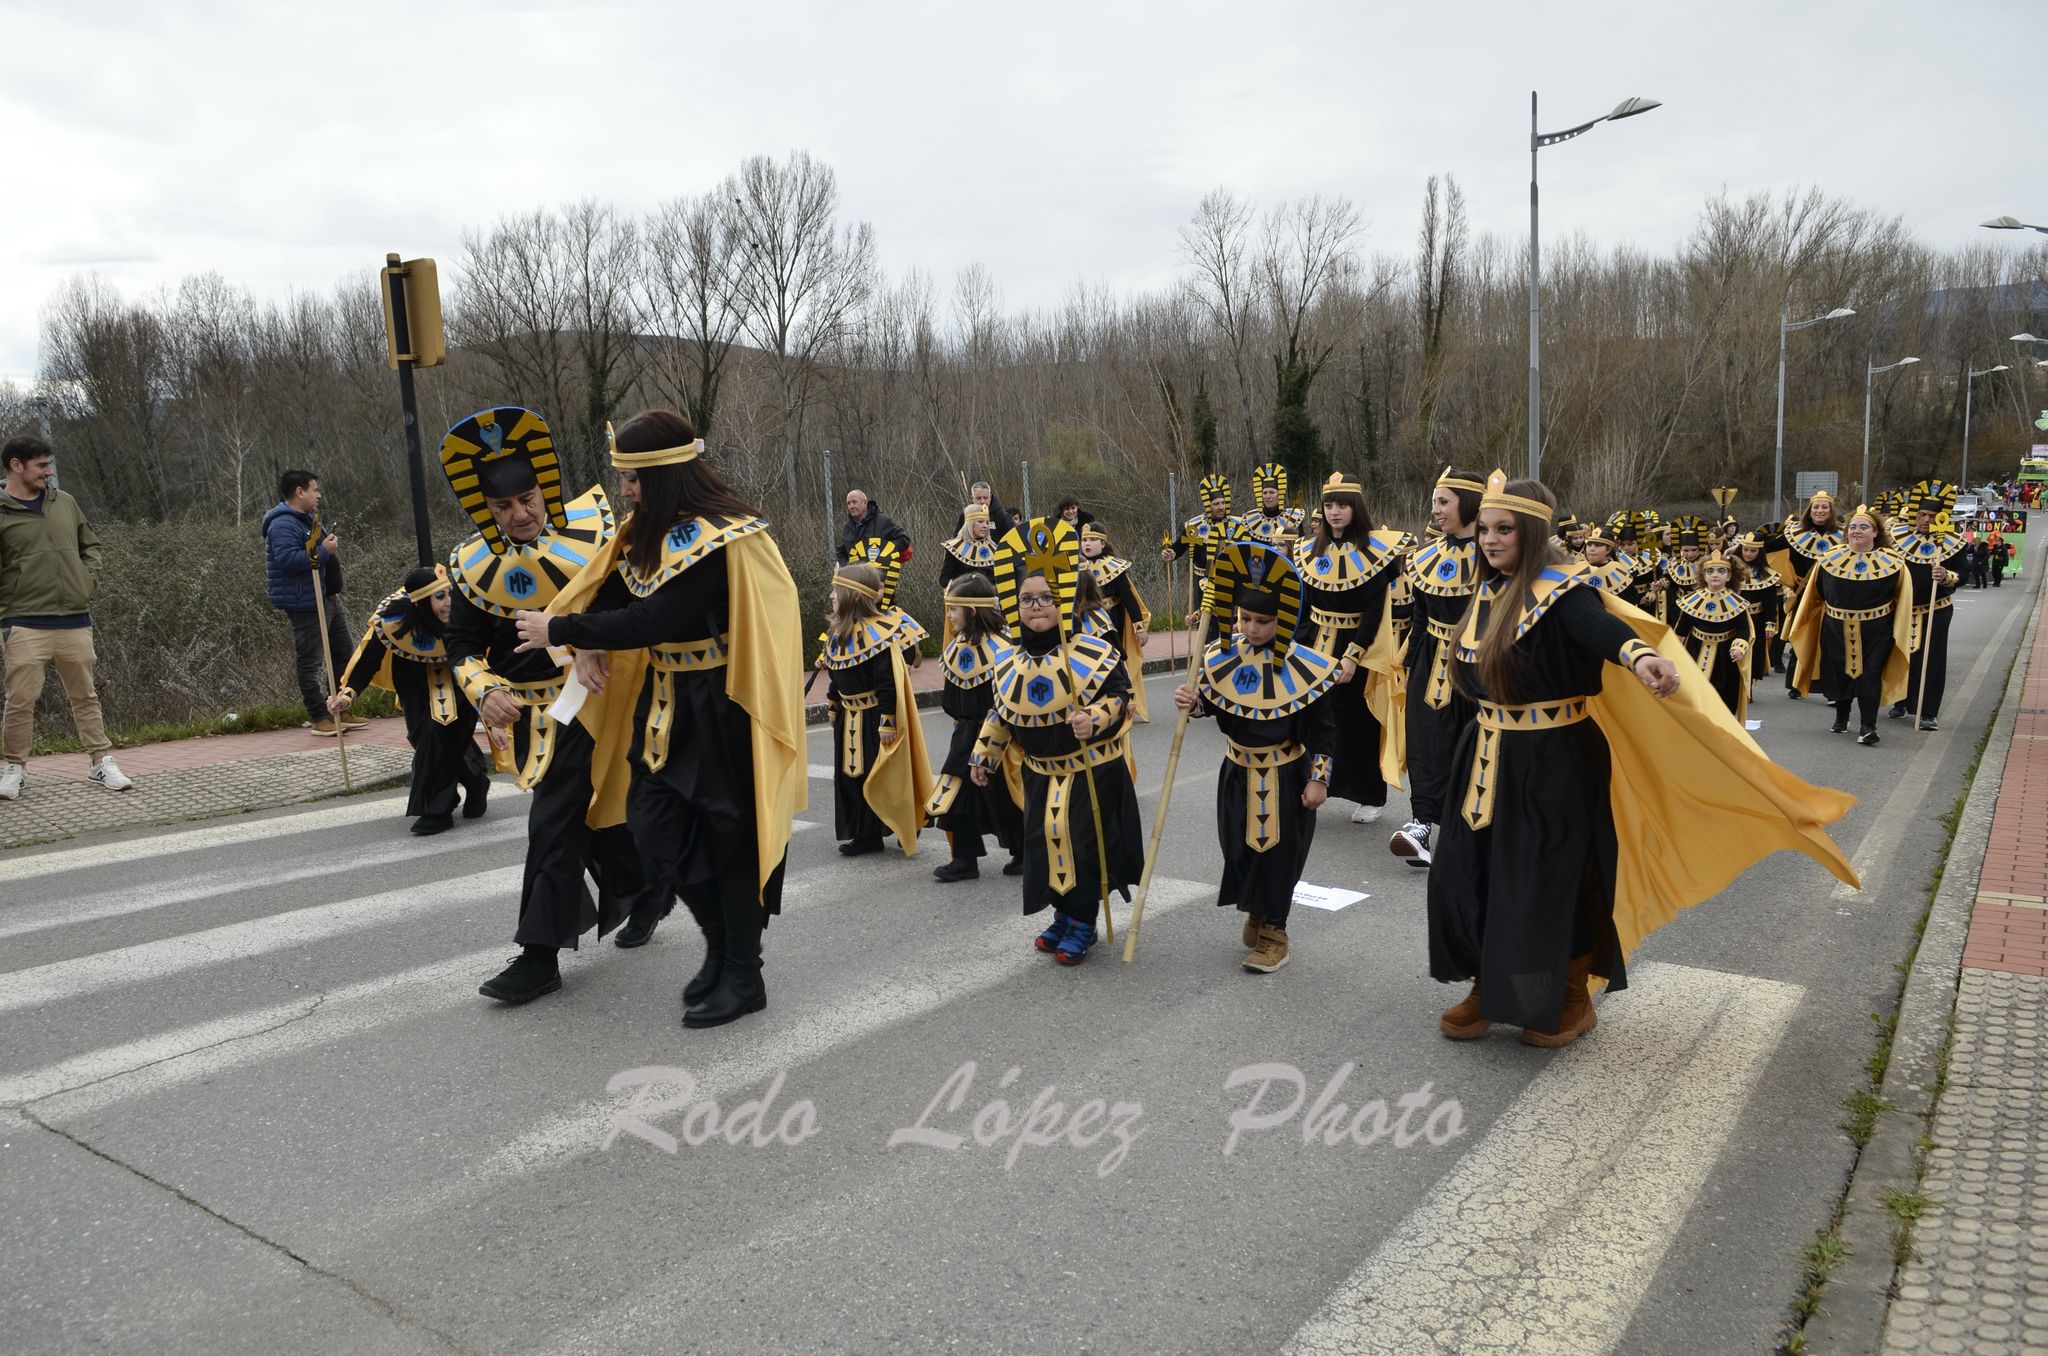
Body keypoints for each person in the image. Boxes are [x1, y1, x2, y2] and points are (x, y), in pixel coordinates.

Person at [1429, 470, 1857, 1048]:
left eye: (1504, 529)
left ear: (1531, 534)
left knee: (1548, 880)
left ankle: (1572, 994)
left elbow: (1601, 628)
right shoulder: (1487, 592)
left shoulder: (1563, 590)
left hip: (1554, 758)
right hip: (1483, 754)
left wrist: (1639, 658)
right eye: (1484, 529)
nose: (1490, 539)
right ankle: (1488, 986)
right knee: (1470, 870)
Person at [516, 409, 804, 1029]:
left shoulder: (718, 537)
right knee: (653, 834)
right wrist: (588, 639)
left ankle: (741, 971)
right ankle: (721, 949)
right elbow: (617, 597)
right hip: (665, 705)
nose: (624, 489)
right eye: (623, 477)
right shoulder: (644, 532)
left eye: (634, 478)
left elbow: (655, 620)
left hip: (720, 707)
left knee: (731, 844)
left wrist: (560, 629)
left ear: (666, 476)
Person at [438, 404, 666, 1005]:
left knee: (554, 822)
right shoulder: (471, 567)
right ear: (484, 510)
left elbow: (630, 613)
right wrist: (484, 689)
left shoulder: (596, 535)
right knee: (584, 821)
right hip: (530, 718)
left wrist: (585, 638)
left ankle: (538, 957)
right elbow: (460, 645)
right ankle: (644, 889)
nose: (518, 515)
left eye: (528, 501)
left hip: (593, 700)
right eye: (502, 508)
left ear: (546, 489)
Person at [969, 519, 1143, 966]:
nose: (1036, 606)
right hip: (1040, 773)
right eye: (1027, 599)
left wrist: (1095, 718)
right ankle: (1063, 915)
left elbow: (1121, 697)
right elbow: (1003, 710)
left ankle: (1083, 920)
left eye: (1045, 597)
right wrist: (984, 756)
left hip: (1090, 769)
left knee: (1084, 842)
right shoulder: (1010, 660)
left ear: (1062, 599)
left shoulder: (1092, 650)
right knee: (1047, 841)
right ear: (1014, 604)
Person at [1174, 540, 1338, 972]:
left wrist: (1319, 779)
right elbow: (1220, 703)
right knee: (1238, 849)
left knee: (1280, 855)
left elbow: (1324, 730)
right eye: (1245, 618)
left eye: (1263, 621)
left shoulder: (1307, 668)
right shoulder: (1221, 658)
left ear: (1282, 620)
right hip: (1237, 770)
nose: (1252, 628)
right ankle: (1257, 911)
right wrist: (1195, 702)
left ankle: (1275, 932)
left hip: (1285, 775)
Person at [0, 434, 131, 799]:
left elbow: (90, 546)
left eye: (49, 464)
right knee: (21, 699)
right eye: (41, 465)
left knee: (85, 695)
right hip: (23, 621)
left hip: (74, 617)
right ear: (16, 465)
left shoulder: (66, 502)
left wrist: (86, 582)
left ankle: (100, 762)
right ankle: (14, 769)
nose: (49, 471)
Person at [1390, 466, 1484, 869]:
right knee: (1426, 741)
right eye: (1434, 502)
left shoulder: (1494, 553)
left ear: (1469, 503)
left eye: (1444, 501)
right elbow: (1421, 618)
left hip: (1480, 665)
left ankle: (1474, 826)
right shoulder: (1425, 558)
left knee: (1475, 742)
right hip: (1431, 661)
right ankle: (1421, 823)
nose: (1436, 510)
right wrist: (1410, 664)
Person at [1296, 472, 1402, 825]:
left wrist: (1354, 655)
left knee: (1358, 723)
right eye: (1328, 505)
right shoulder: (1311, 549)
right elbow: (1307, 604)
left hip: (1358, 647)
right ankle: (1316, 783)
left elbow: (1374, 609)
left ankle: (1371, 794)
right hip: (1316, 645)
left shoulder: (1374, 551)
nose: (1334, 512)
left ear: (1355, 507)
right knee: (1315, 720)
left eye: (1342, 505)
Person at [820, 563, 932, 857]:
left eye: (836, 590)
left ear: (853, 596)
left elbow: (886, 682)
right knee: (850, 778)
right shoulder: (837, 633)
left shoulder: (879, 634)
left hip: (872, 718)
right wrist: (833, 704)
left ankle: (902, 820)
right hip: (848, 717)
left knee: (881, 775)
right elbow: (837, 671)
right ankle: (865, 834)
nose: (831, 595)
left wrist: (888, 720)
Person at [924, 573, 1023, 882]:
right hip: (964, 734)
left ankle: (1024, 851)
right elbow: (950, 700)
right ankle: (964, 859)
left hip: (998, 737)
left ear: (972, 610)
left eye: (954, 609)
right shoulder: (957, 647)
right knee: (957, 796)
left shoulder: (1004, 647)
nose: (949, 616)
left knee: (1004, 798)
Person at [1786, 504, 1912, 746]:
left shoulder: (1894, 563)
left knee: (1870, 675)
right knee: (1840, 674)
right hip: (1835, 628)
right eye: (1853, 527)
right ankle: (1842, 717)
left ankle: (1868, 726)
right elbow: (1816, 595)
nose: (1857, 531)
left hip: (1877, 630)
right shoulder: (1828, 560)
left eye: (1864, 527)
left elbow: (1901, 598)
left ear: (1876, 533)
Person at [263, 469, 364, 737]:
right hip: (305, 602)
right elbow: (288, 560)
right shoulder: (282, 524)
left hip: (326, 596)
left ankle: (342, 707)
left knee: (344, 653)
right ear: (299, 492)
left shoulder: (307, 519)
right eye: (314, 489)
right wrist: (325, 551)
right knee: (311, 661)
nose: (318, 495)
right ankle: (319, 716)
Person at [1891, 482, 1964, 731]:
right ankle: (1900, 701)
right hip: (1902, 609)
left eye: (1932, 516)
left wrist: (1946, 576)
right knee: (1901, 655)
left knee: (1931, 660)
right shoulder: (1897, 538)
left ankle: (1928, 711)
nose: (1926, 519)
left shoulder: (1952, 541)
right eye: (1922, 514)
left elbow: (1963, 573)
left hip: (1936, 608)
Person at [1767, 490, 1844, 697]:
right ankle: (1796, 684)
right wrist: (1736, 549)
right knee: (1800, 637)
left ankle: (1831, 690)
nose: (1820, 511)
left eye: (1824, 507)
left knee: (1831, 642)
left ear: (1831, 511)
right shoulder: (1795, 534)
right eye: (1816, 507)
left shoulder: (1843, 536)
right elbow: (1768, 546)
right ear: (1809, 511)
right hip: (1804, 594)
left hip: (1833, 596)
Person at [1672, 549, 1755, 722]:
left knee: (1723, 690)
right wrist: (1673, 654)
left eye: (1721, 571)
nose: (1715, 575)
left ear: (1729, 576)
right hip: (1695, 649)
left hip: (1724, 656)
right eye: (1710, 571)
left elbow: (1743, 630)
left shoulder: (1737, 604)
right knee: (1695, 689)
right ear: (1704, 576)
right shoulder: (1692, 601)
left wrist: (1739, 648)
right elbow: (1681, 630)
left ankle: (1722, 724)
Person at [1079, 525, 1150, 721]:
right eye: (1084, 540)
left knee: (1114, 659)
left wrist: (1139, 628)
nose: (1087, 544)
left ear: (1102, 543)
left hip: (1112, 621)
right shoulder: (1077, 566)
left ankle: (1122, 698)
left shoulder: (1113, 568)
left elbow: (1129, 599)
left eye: (1092, 540)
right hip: (1085, 621)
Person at [1161, 473, 1236, 622]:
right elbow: (1179, 546)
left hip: (1228, 579)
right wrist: (1170, 553)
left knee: (1227, 620)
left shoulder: (1236, 525)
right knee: (1204, 621)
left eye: (1223, 503)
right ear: (1208, 505)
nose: (1221, 507)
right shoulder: (1195, 526)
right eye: (1216, 504)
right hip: (1202, 579)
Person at [1734, 530, 1786, 679]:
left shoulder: (1766, 574)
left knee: (1754, 654)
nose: (1748, 554)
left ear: (1760, 552)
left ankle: (1748, 689)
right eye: (1745, 549)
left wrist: (1770, 622)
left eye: (1753, 550)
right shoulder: (1731, 569)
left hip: (1757, 619)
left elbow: (1770, 602)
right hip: (1735, 618)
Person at [1235, 462, 1304, 546]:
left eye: (1272, 492)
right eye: (1265, 493)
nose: (1268, 496)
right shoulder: (1249, 521)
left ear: (1280, 494)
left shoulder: (1293, 518)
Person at [838, 489, 913, 564]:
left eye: (854, 502)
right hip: (856, 573)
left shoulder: (883, 521)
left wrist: (884, 551)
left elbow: (904, 539)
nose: (851, 506)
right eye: (848, 503)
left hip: (881, 571)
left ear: (865, 503)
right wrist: (846, 567)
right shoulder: (847, 528)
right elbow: (841, 552)